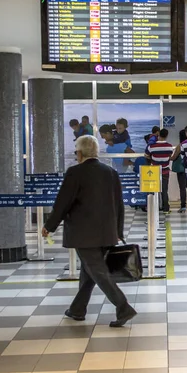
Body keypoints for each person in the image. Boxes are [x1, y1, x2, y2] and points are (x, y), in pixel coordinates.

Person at [42, 135, 137, 327]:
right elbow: (119, 204)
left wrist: (49, 226)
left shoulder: (75, 172)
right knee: (89, 272)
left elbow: (62, 203)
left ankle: (123, 307)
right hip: (107, 232)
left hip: (83, 234)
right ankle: (77, 310)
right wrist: (118, 230)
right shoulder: (110, 172)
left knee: (98, 272)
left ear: (79, 152)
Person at [146, 128, 175, 215]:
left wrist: (152, 159)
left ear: (158, 135)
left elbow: (147, 155)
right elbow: (170, 156)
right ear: (166, 135)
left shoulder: (152, 146)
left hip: (154, 171)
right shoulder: (169, 146)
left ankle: (153, 208)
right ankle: (166, 209)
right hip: (165, 171)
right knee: (164, 191)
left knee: (153, 191)